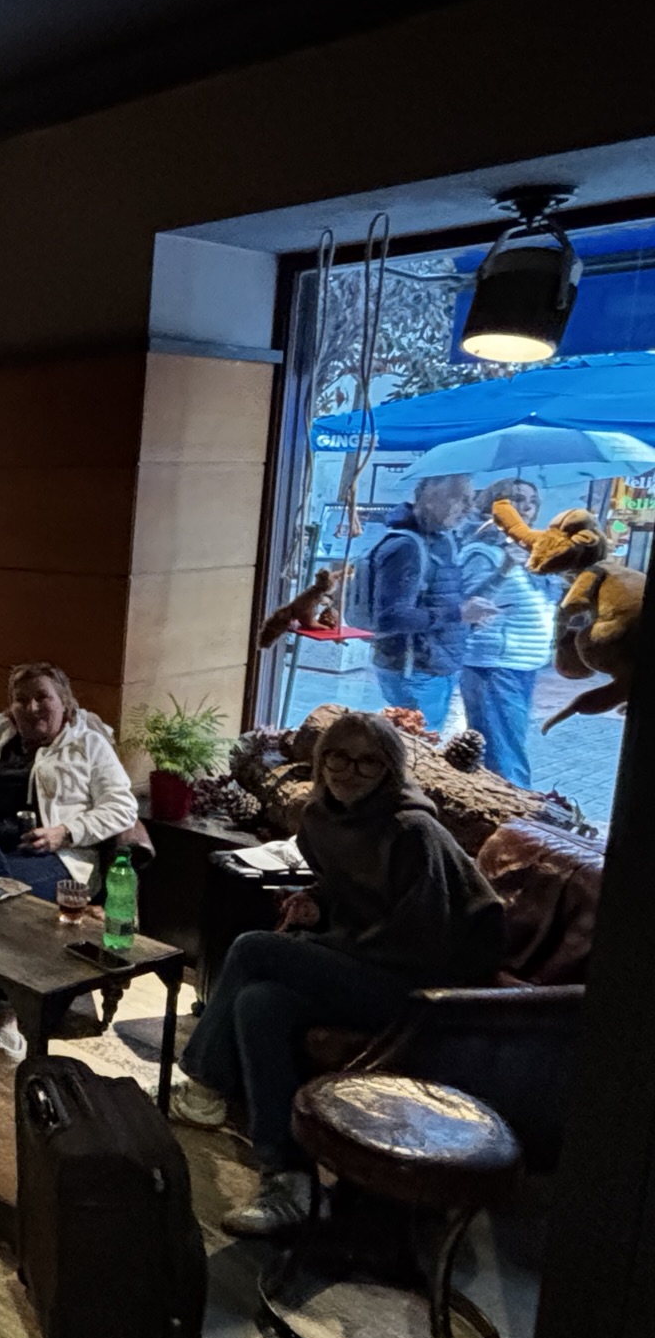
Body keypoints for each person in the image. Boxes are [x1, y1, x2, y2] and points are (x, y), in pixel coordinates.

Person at [171, 711, 504, 1236]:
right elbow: (350, 886)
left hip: (422, 989)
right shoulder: (321, 819)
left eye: (368, 762)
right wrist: (317, 904)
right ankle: (288, 1180)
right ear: (321, 761)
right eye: (338, 757)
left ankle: (205, 1081)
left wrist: (323, 944)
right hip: (367, 964)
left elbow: (421, 939)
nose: (350, 771)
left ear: (390, 770)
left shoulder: (411, 830)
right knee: (260, 1003)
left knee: (255, 949)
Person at [0, 663, 136, 899]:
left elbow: (121, 807)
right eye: (21, 700)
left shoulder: (89, 745)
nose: (32, 708)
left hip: (51, 857)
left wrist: (65, 833)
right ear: (11, 708)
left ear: (64, 702)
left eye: (42, 697)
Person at [364, 473, 497, 726]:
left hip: (436, 666)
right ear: (429, 497)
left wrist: (468, 617)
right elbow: (390, 617)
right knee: (418, 744)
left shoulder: (440, 541)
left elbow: (437, 600)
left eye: (471, 499)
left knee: (423, 740)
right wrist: (458, 613)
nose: (469, 508)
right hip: (413, 671)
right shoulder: (406, 547)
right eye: (459, 498)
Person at [457, 479, 556, 787]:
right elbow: (464, 602)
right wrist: (502, 570)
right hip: (494, 665)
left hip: (524, 664)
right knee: (505, 753)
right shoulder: (481, 550)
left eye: (532, 501)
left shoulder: (533, 552)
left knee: (506, 743)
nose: (525, 507)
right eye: (516, 499)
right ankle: (517, 808)